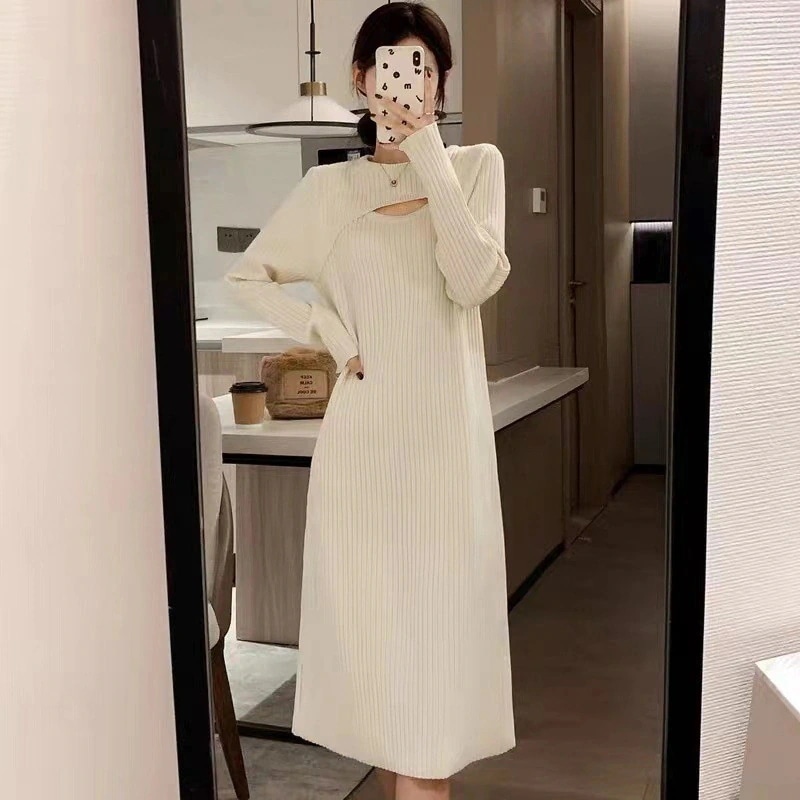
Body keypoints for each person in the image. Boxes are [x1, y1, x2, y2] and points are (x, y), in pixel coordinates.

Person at [226, 4, 515, 798]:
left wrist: (426, 151)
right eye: (393, 65)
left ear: (442, 83)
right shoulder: (328, 190)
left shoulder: (475, 168)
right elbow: (248, 277)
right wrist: (326, 328)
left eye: (426, 67)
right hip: (363, 458)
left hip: (446, 460)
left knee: (434, 697)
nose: (408, 82)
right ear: (361, 79)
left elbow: (474, 281)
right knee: (390, 689)